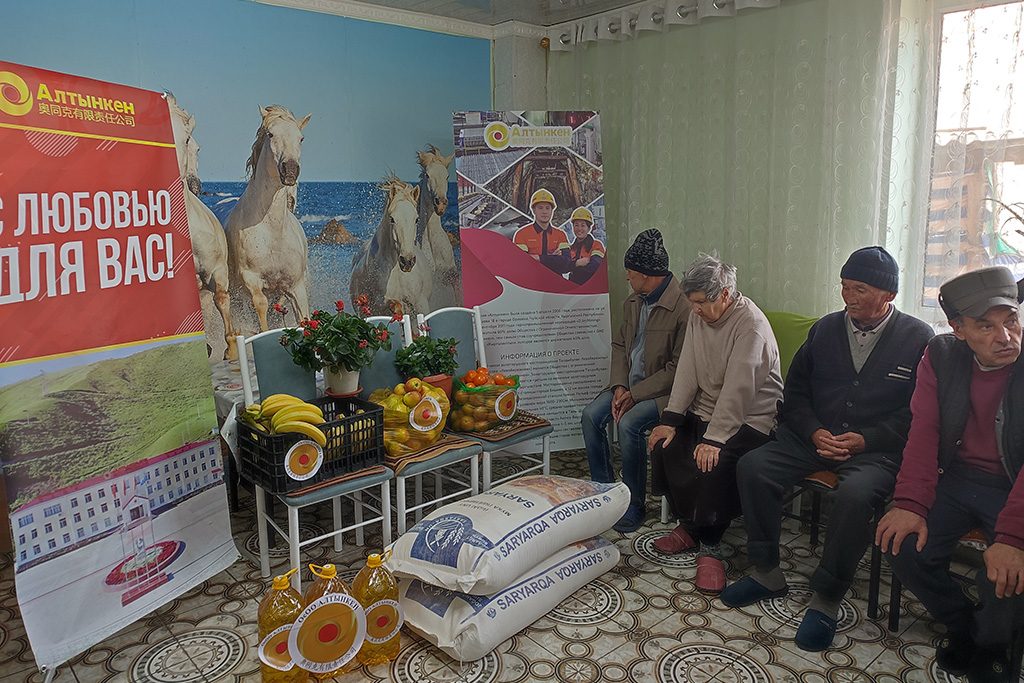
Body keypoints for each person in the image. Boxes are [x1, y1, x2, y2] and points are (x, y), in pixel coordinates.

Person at [720, 246, 933, 651]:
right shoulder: (825, 329)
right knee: (753, 466)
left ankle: (827, 596)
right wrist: (814, 431)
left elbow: (919, 414)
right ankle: (766, 571)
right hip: (812, 439)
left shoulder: (919, 338)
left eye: (859, 289)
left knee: (855, 495)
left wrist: (868, 439)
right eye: (844, 286)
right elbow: (795, 392)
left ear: (888, 294)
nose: (848, 297)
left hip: (875, 451)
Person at [876, 266, 1024, 683]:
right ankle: (965, 627)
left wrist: (1013, 538)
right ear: (958, 330)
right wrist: (910, 502)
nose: (1006, 337)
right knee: (903, 545)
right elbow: (925, 430)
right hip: (957, 479)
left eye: (1011, 320)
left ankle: (993, 648)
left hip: (1014, 484)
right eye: (986, 326)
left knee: (1005, 573)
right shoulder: (940, 356)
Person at [647, 253, 783, 593]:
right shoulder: (700, 316)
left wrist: (715, 438)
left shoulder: (750, 326)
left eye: (700, 303)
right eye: (691, 303)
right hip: (709, 410)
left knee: (713, 461)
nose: (694, 310)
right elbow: (688, 368)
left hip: (752, 417)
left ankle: (710, 544)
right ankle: (690, 524)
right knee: (667, 446)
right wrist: (671, 419)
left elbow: (740, 390)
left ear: (724, 294)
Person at [582, 229, 690, 533]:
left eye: (630, 271)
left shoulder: (683, 308)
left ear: (646, 274)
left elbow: (678, 369)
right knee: (590, 416)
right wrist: (620, 385)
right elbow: (619, 346)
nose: (627, 277)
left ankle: (633, 503)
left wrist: (636, 393)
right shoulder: (633, 301)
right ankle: (604, 493)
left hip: (663, 394)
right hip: (628, 386)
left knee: (629, 424)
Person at [513, 189, 569, 273]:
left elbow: (566, 264)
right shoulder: (521, 234)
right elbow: (521, 262)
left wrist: (537, 258)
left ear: (552, 211)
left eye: (547, 208)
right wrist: (553, 258)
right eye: (540, 208)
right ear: (534, 210)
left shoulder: (560, 235)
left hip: (554, 280)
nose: (544, 212)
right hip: (531, 279)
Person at [560, 207, 606, 285]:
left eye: (583, 225)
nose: (579, 229)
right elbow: (563, 267)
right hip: (573, 287)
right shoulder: (571, 248)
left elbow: (594, 267)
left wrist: (572, 267)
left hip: (591, 287)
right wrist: (577, 263)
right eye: (576, 225)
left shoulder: (596, 245)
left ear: (589, 228)